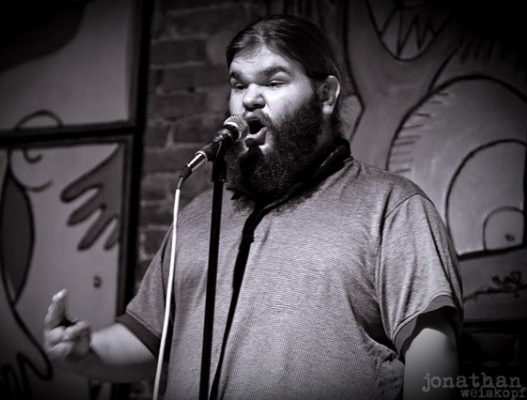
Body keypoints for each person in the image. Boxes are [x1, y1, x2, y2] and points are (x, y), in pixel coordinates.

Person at [43, 14, 463, 400]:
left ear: (326, 94)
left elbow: (432, 353)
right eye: (239, 84)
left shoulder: (391, 206)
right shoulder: (197, 216)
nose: (249, 99)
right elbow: (149, 339)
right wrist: (85, 352)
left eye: (274, 82)